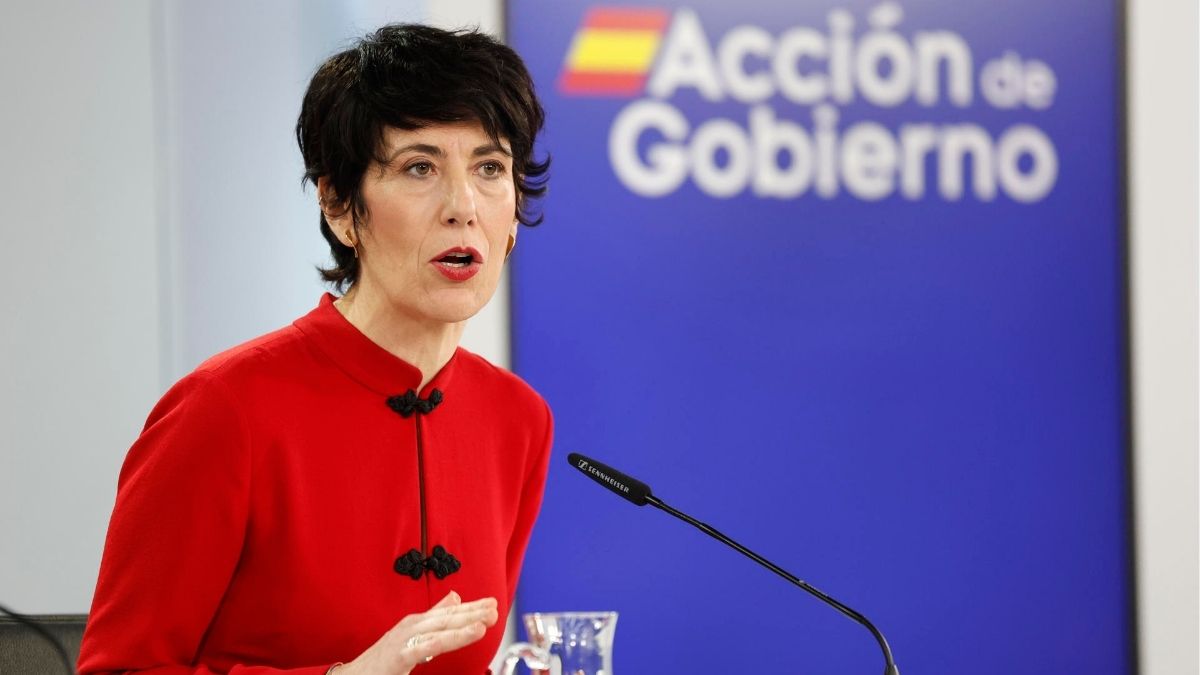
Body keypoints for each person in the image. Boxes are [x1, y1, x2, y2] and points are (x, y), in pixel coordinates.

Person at [77, 24, 552, 675]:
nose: (463, 207)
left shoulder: (517, 420)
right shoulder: (224, 408)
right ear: (339, 206)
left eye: (490, 168)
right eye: (419, 167)